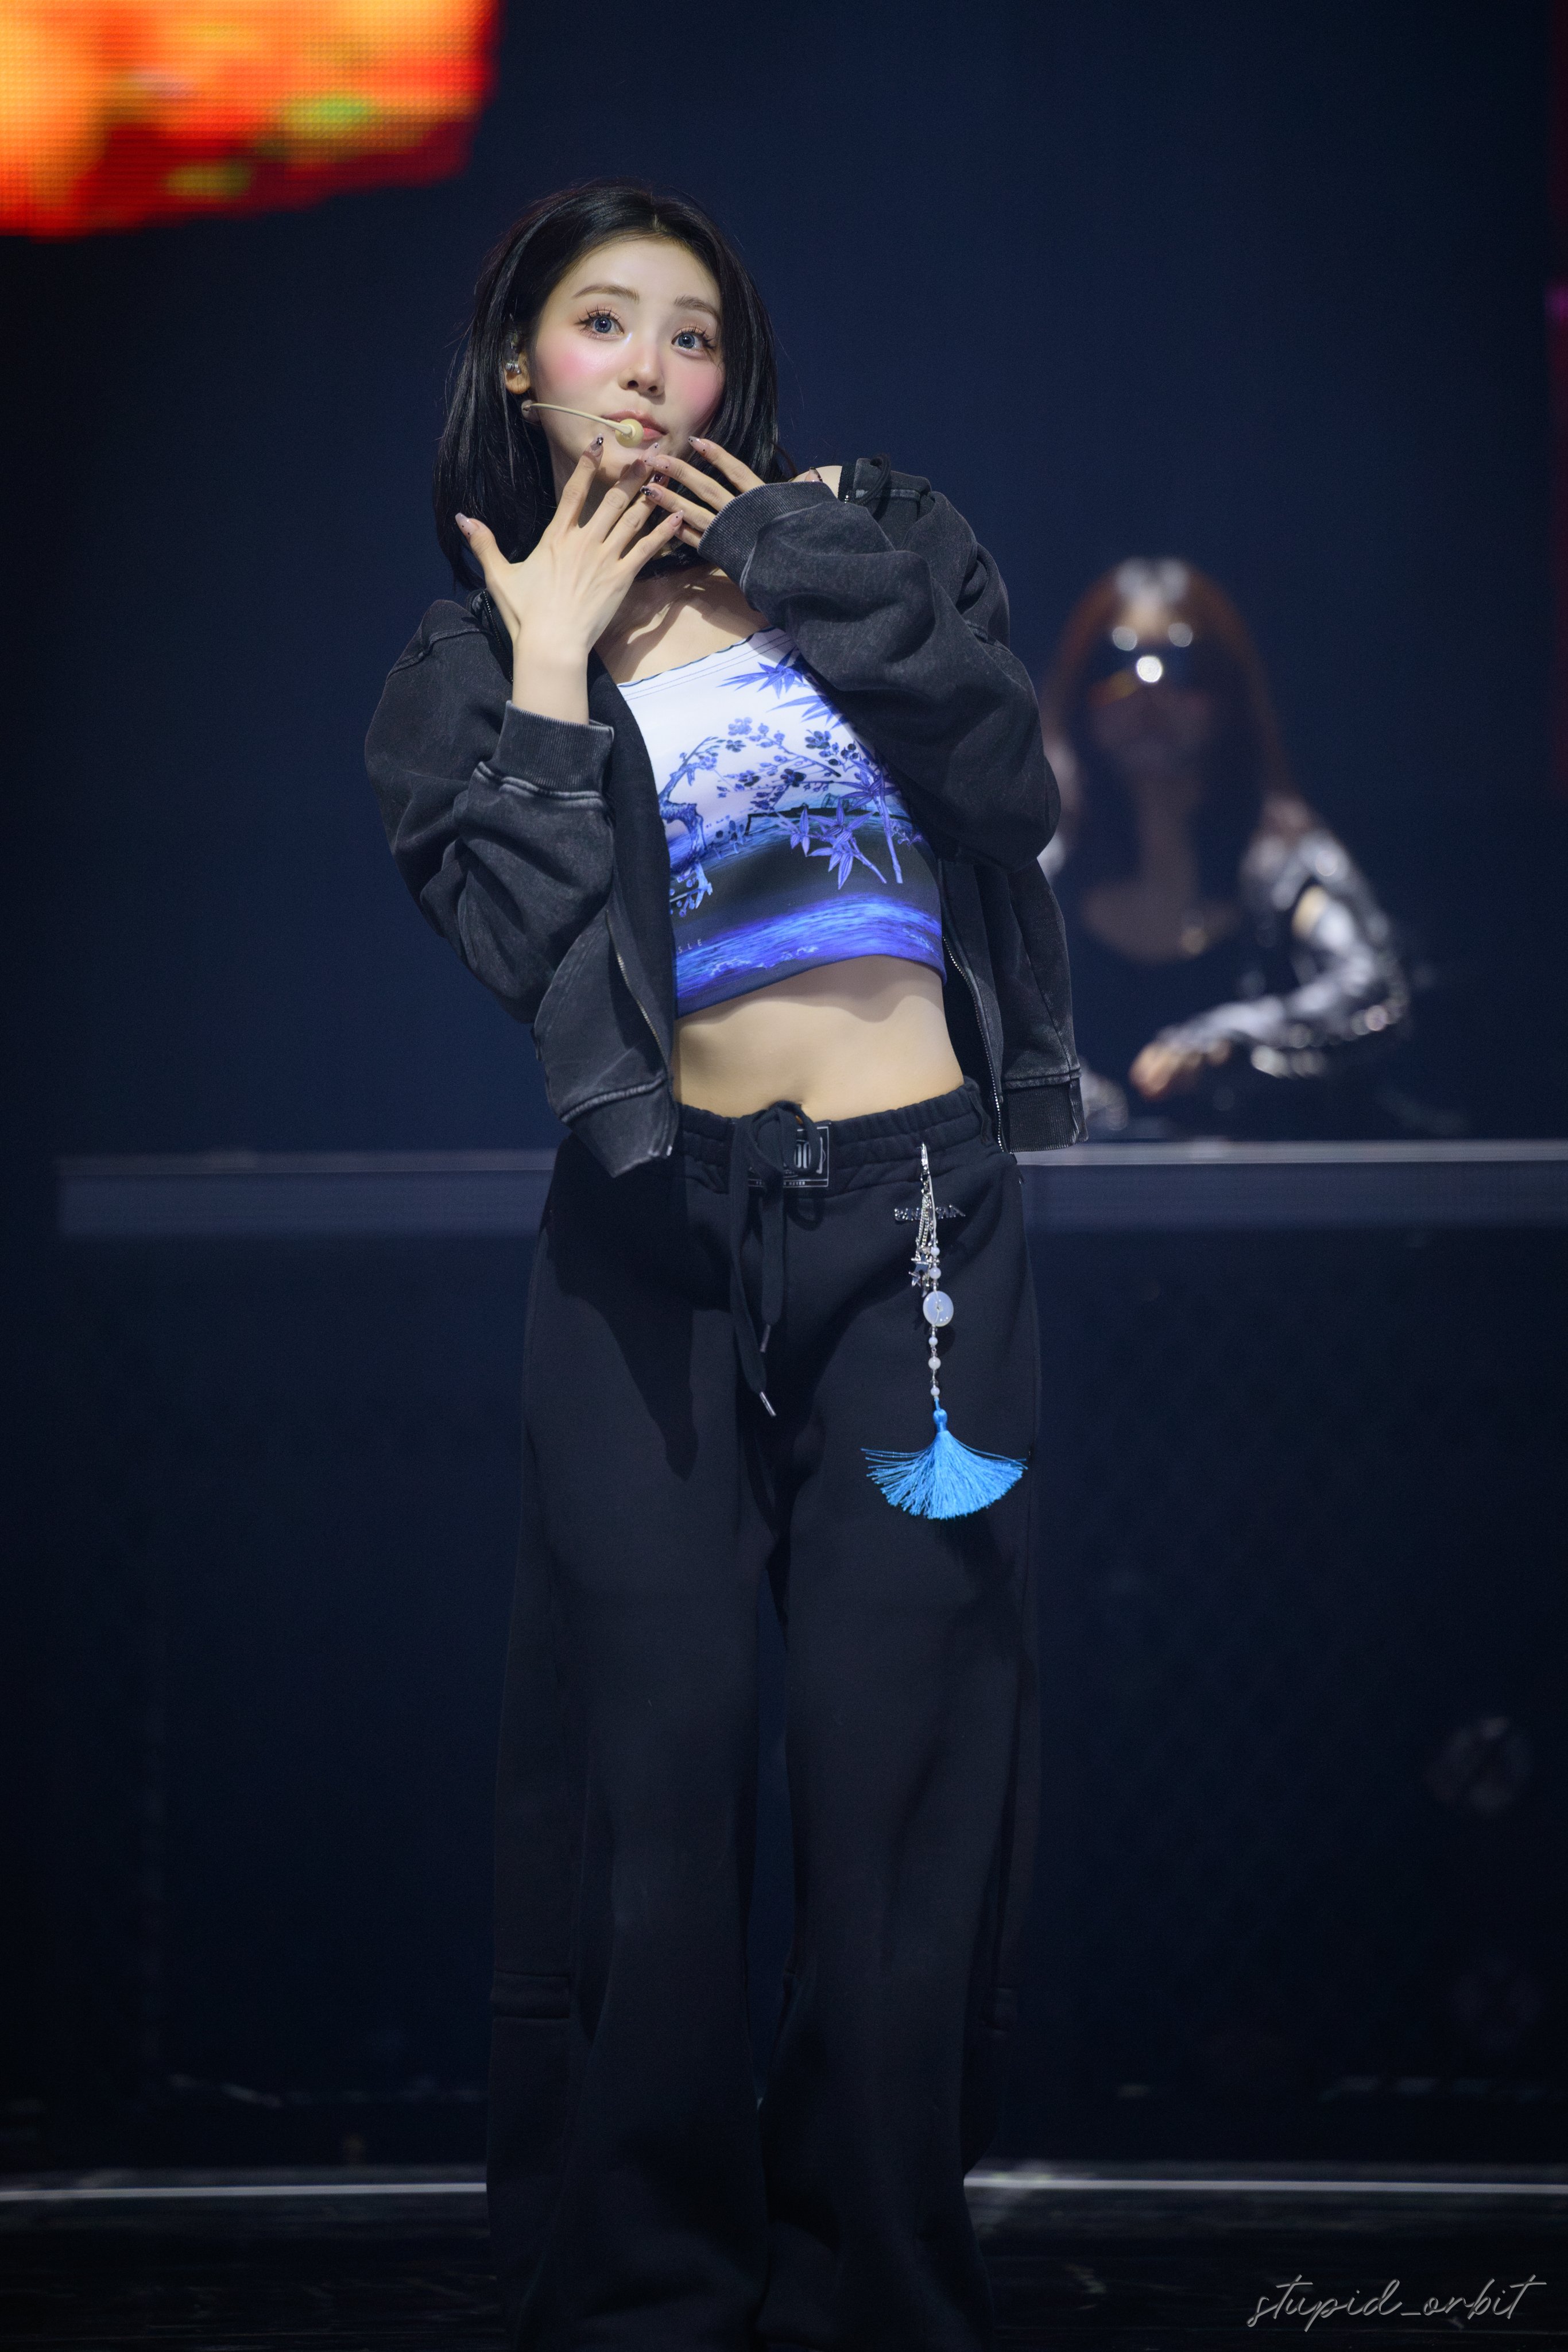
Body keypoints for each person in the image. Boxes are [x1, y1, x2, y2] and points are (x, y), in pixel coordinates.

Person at [364, 179, 1082, 2352]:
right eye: (606, 325)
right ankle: (648, 2293)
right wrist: (556, 665)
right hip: (655, 1245)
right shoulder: (466, 661)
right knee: (653, 1779)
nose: (654, 369)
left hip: (920, 1230)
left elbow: (1009, 780)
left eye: (692, 336)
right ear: (524, 369)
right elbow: (524, 949)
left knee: (901, 1782)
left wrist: (785, 554)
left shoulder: (872, 528)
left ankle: (874, 2281)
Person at [1039, 558, 1408, 1137]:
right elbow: (989, 1022)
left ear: (1226, 692)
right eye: (1117, 665)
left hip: (1266, 1185)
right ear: (1081, 692)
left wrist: (1231, 1039)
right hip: (1087, 1189)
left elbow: (1370, 987)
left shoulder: (1284, 865)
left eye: (1181, 664)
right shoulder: (1042, 878)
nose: (1149, 691)